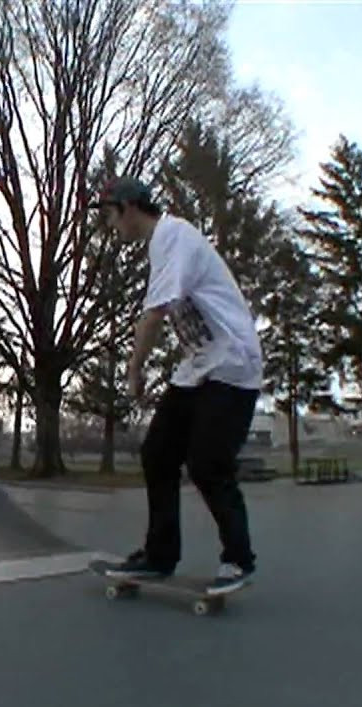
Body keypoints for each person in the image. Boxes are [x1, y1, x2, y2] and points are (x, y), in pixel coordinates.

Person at [87, 176, 263, 595]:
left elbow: (154, 315)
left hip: (234, 366)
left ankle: (239, 559)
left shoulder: (174, 236)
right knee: (158, 453)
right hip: (200, 367)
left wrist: (134, 370)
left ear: (128, 208)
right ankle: (159, 556)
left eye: (111, 217)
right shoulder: (160, 245)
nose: (112, 227)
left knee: (207, 464)